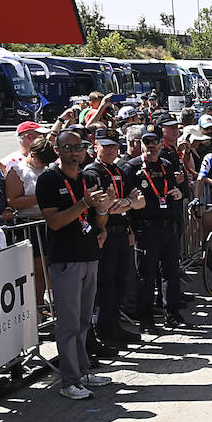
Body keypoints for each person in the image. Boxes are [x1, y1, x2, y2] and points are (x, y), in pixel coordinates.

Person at [37, 129, 115, 399]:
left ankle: (82, 372)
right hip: (66, 258)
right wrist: (84, 203)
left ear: (85, 150)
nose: (74, 152)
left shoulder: (90, 178)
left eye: (78, 147)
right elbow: (55, 222)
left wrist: (104, 207)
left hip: (89, 253)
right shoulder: (48, 180)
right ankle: (69, 381)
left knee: (83, 320)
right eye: (68, 147)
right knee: (69, 323)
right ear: (57, 150)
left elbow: (99, 222)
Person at [124, 126, 193, 332]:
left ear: (161, 144)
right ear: (140, 144)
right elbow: (128, 201)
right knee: (146, 276)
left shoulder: (166, 165)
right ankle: (146, 321)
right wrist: (131, 229)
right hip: (146, 229)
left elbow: (175, 190)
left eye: (155, 142)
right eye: (147, 142)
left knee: (171, 273)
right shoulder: (132, 168)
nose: (151, 146)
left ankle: (172, 315)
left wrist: (178, 194)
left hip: (169, 227)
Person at [85, 129, 144, 350]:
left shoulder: (119, 170)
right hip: (105, 231)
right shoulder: (92, 172)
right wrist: (126, 202)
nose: (111, 150)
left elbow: (139, 200)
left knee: (121, 280)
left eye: (114, 146)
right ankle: (104, 329)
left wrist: (126, 203)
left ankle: (114, 325)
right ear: (96, 147)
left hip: (121, 229)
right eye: (106, 146)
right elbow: (104, 204)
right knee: (105, 283)